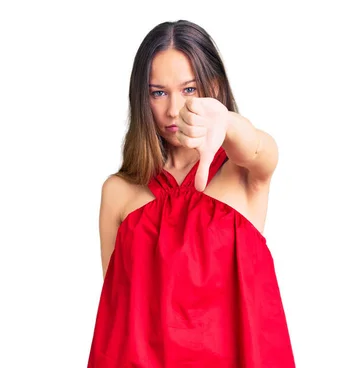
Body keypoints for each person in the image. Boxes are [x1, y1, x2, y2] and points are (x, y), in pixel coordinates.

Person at [87, 20, 295, 367]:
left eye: (189, 89)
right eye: (158, 92)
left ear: (213, 86)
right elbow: (119, 315)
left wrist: (226, 123)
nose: (172, 110)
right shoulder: (119, 192)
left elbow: (260, 150)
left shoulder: (244, 172)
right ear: (142, 98)